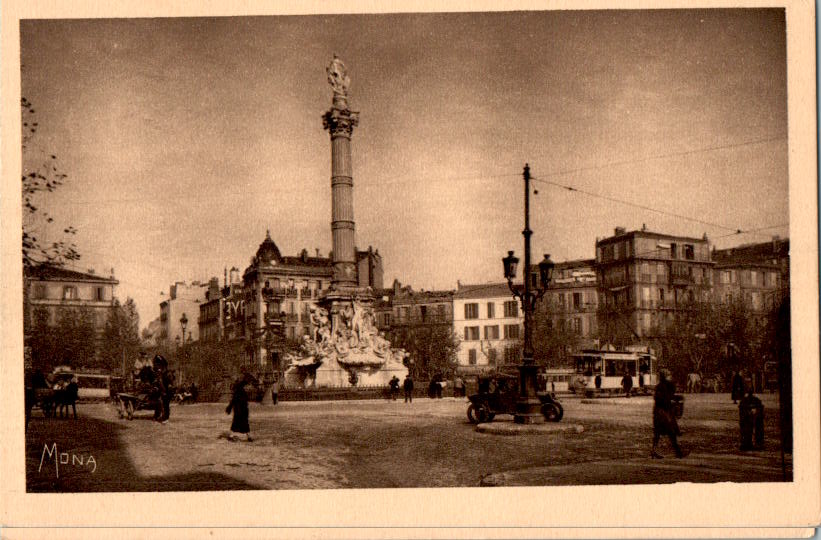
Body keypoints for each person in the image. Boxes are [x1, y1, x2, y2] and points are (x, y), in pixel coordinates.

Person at [651, 369, 688, 459]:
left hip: (660, 412)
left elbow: (665, 397)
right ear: (665, 376)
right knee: (670, 433)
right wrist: (673, 399)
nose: (670, 377)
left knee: (659, 433)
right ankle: (678, 453)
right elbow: (662, 399)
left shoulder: (661, 386)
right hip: (663, 413)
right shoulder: (663, 386)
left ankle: (654, 451)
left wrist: (676, 397)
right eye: (668, 375)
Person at [225, 373, 254, 442]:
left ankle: (247, 436)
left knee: (240, 422)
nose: (249, 387)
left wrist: (229, 407)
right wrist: (230, 407)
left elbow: (234, 399)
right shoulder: (240, 389)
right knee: (240, 422)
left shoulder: (240, 388)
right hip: (240, 409)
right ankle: (248, 436)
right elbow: (234, 399)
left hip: (241, 408)